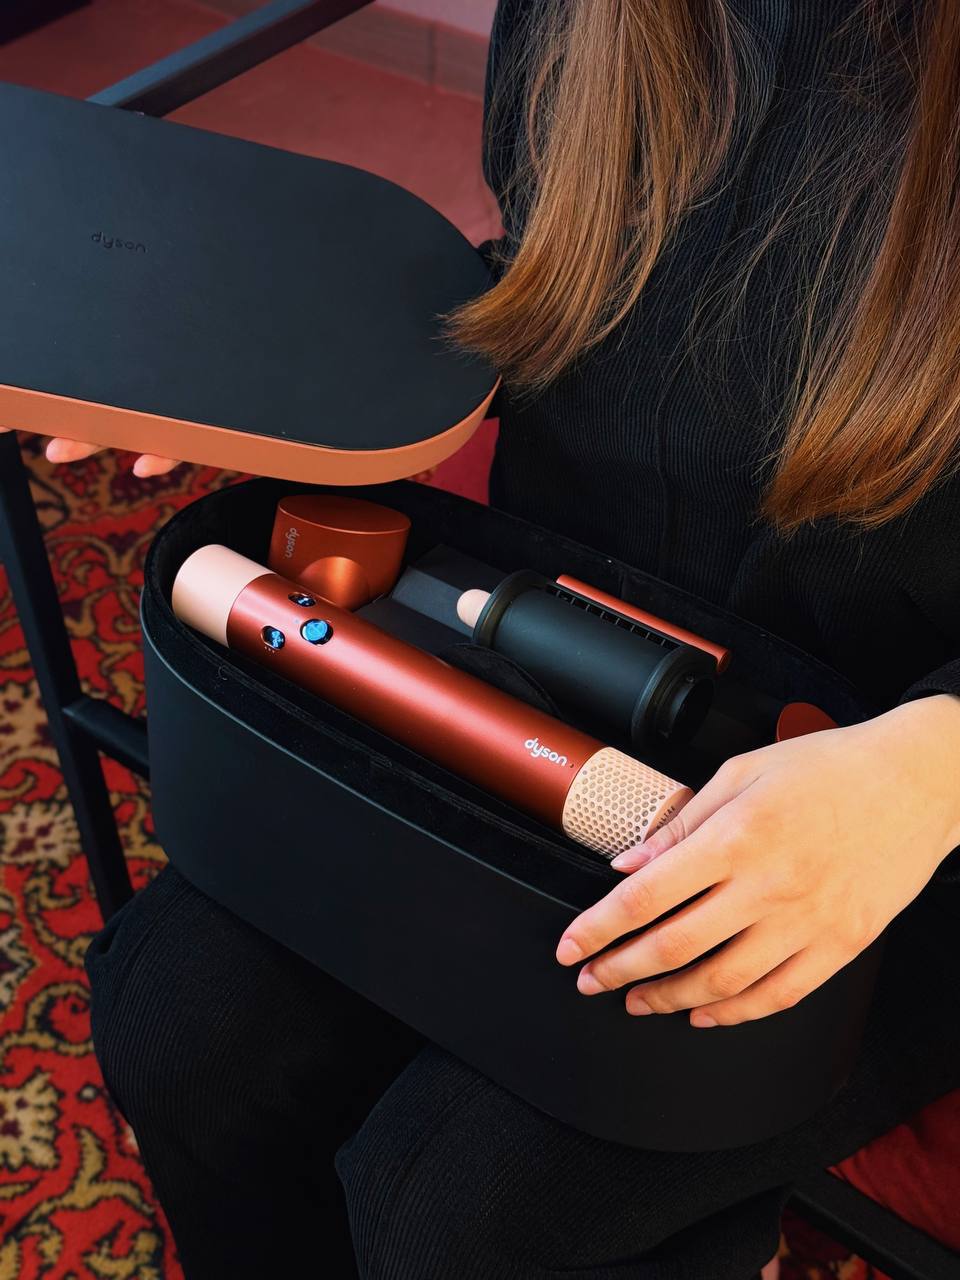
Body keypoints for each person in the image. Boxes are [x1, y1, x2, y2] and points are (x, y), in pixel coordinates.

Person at [48, 0, 960, 1275]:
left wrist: (929, 768)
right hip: (539, 646)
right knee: (177, 1017)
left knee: (466, 1208)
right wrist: (266, 362)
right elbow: (548, 286)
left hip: (890, 793)